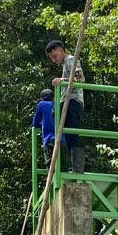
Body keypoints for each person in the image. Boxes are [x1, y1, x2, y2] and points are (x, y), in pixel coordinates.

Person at [45, 39, 85, 174]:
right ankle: (68, 166)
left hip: (73, 101)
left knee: (72, 134)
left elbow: (80, 78)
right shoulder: (65, 64)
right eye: (52, 58)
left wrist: (61, 80)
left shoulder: (71, 60)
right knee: (65, 133)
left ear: (61, 50)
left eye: (55, 56)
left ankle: (77, 169)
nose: (54, 60)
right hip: (66, 100)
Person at [32, 88, 56, 164]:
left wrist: (42, 124)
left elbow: (35, 123)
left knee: (50, 164)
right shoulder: (57, 104)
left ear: (41, 98)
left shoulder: (41, 104)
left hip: (49, 138)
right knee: (62, 167)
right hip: (61, 139)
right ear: (53, 97)